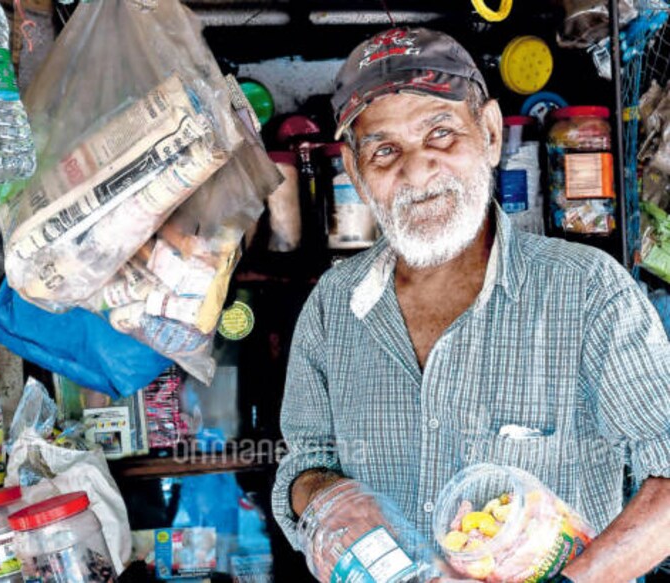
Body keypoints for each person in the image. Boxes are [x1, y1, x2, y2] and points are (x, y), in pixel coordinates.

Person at [272, 27, 670, 580]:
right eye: (384, 150)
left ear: (489, 133)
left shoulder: (588, 292)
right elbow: (304, 464)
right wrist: (330, 497)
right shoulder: (331, 308)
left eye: (440, 133)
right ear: (357, 174)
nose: (417, 171)